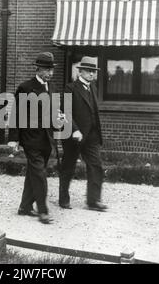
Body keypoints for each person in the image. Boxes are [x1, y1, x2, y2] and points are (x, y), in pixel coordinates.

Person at [8, 52, 59, 224]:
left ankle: (25, 206)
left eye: (51, 69)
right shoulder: (25, 87)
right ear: (37, 69)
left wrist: (58, 118)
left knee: (33, 172)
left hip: (46, 139)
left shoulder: (51, 87)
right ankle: (42, 210)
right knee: (39, 173)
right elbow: (16, 114)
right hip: (30, 139)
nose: (50, 73)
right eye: (46, 69)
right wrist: (14, 139)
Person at [59, 56, 108, 212]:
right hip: (75, 136)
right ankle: (63, 198)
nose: (92, 74)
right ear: (80, 71)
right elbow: (65, 112)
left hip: (92, 136)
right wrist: (74, 130)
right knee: (68, 167)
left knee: (96, 166)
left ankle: (93, 201)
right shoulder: (70, 88)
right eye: (89, 71)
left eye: (94, 71)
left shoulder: (93, 88)